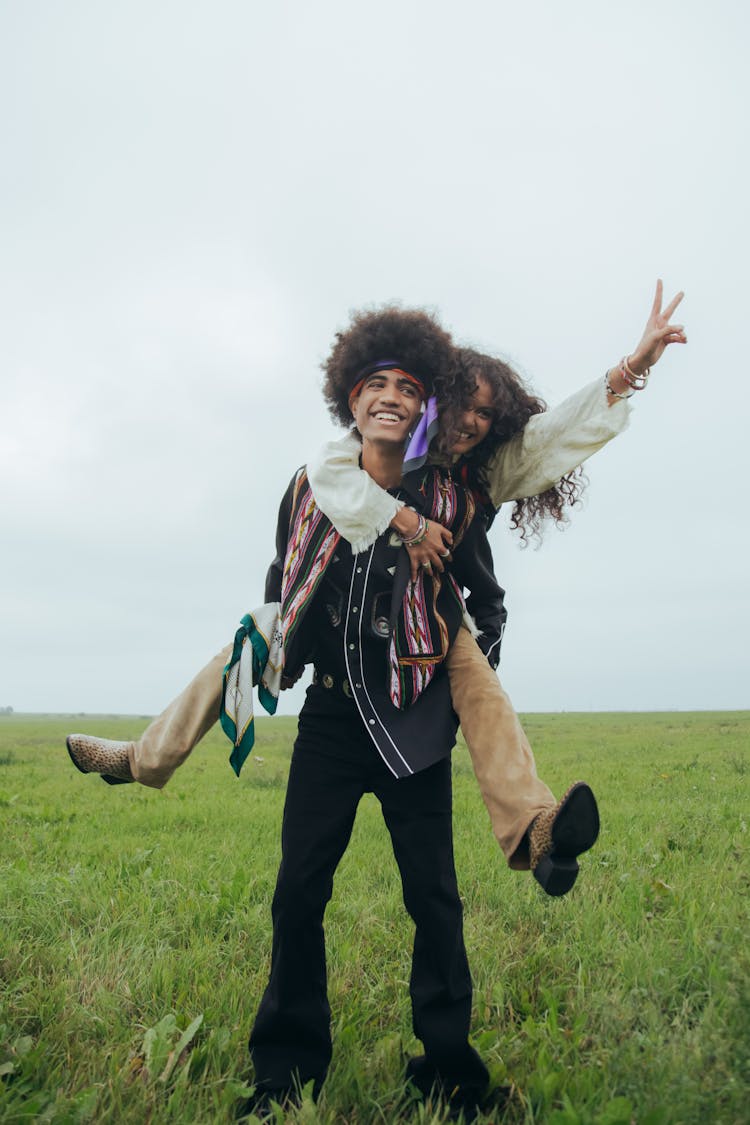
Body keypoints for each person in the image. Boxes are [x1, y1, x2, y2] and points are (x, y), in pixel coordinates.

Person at [65, 281, 686, 897]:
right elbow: (312, 506)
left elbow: (544, 441)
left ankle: (538, 825)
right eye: (462, 403)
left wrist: (628, 370)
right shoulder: (340, 462)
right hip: (327, 653)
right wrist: (386, 536)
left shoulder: (469, 483)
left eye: (486, 413)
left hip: (429, 644)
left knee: (480, 688)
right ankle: (141, 760)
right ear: (432, 405)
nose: (472, 420)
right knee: (240, 649)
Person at [242, 305, 504, 1119]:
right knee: (298, 891)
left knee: (434, 893)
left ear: (424, 408)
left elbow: (487, 599)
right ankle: (285, 1073)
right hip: (328, 720)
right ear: (351, 400)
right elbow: (283, 573)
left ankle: (451, 1072)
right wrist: (274, 639)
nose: (390, 396)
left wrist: (468, 676)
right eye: (375, 384)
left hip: (414, 721)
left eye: (408, 387)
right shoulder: (309, 484)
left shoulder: (448, 496)